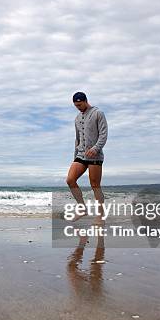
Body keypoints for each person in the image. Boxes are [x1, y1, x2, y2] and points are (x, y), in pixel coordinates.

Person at [65, 92, 108, 222]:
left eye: (80, 104)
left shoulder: (98, 113)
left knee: (95, 185)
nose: (78, 107)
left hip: (95, 155)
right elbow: (77, 139)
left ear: (85, 101)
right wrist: (75, 156)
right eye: (76, 106)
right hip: (80, 155)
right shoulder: (77, 119)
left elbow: (103, 134)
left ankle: (101, 215)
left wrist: (96, 148)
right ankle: (82, 209)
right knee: (70, 180)